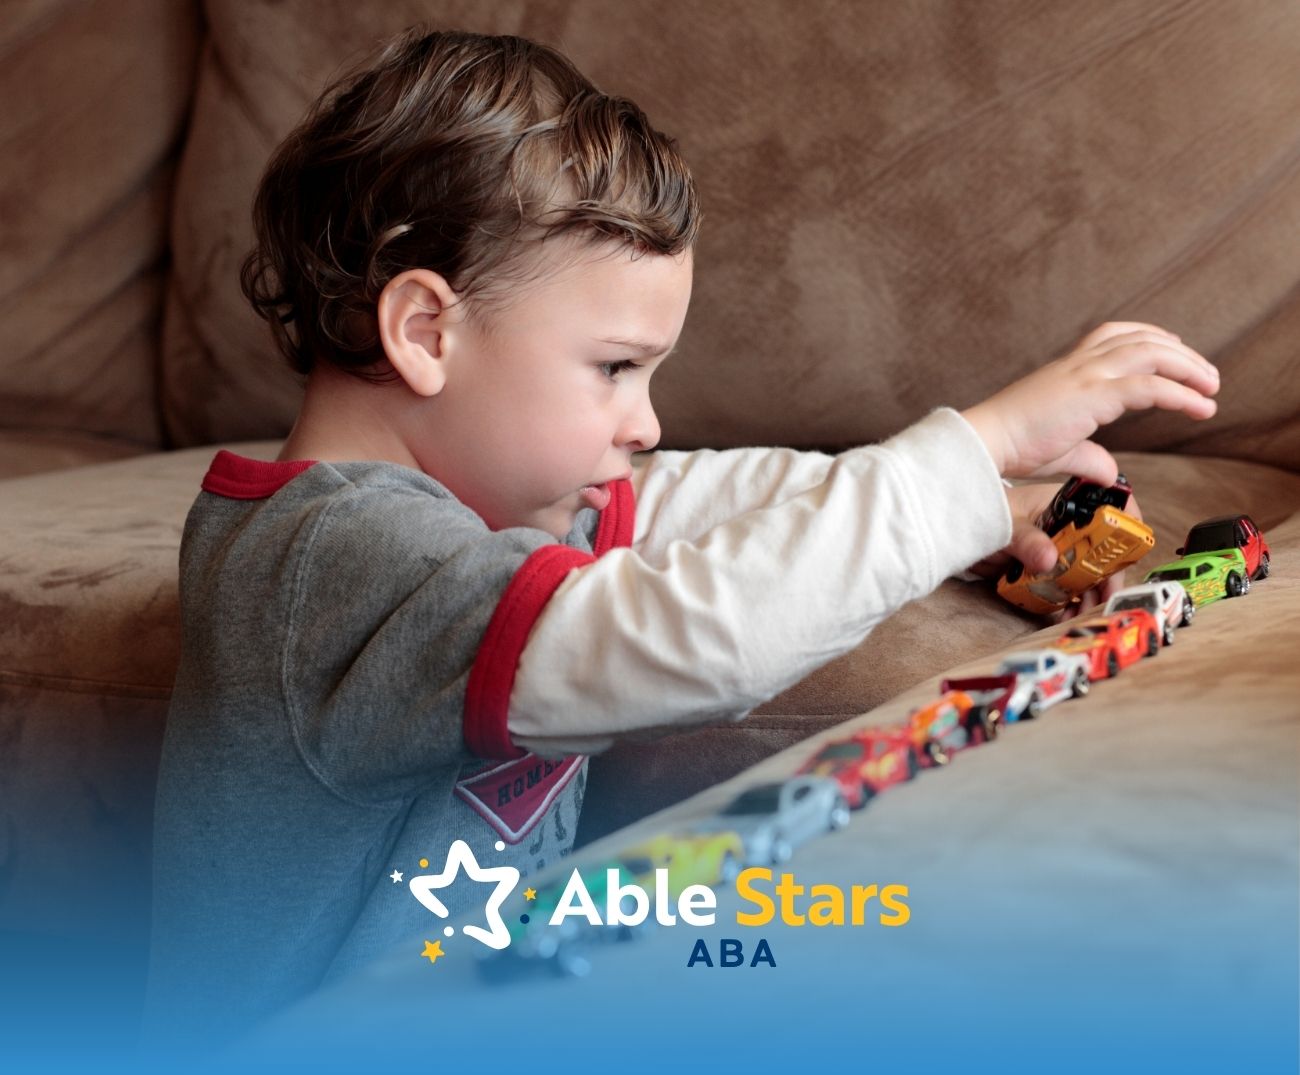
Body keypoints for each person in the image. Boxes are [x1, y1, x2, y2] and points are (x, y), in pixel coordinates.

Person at [144, 26, 1219, 1046]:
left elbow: (684, 499)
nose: (645, 420)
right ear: (426, 330)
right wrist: (973, 441)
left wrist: (978, 503)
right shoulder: (330, 561)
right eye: (614, 367)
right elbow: (692, 641)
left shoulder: (489, 506)